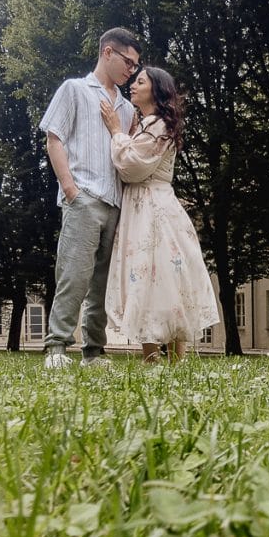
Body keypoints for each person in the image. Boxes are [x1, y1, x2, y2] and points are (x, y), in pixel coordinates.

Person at [100, 66, 220, 363]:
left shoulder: (159, 125)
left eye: (140, 81)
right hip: (145, 204)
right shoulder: (150, 125)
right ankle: (157, 356)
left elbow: (132, 166)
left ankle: (165, 357)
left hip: (152, 206)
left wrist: (116, 132)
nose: (133, 85)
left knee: (160, 273)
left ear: (156, 89)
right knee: (153, 275)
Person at [38, 28, 142, 369]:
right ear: (107, 53)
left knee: (102, 284)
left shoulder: (127, 110)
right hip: (83, 198)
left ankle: (94, 352)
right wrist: (70, 190)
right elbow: (55, 139)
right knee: (74, 275)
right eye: (128, 61)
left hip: (115, 204)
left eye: (136, 65)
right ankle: (56, 348)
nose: (132, 70)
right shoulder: (75, 89)